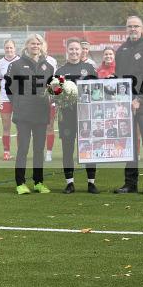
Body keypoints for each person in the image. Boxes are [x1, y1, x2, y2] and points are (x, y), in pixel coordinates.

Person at [114, 15, 143, 194]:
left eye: (136, 26)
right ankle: (130, 183)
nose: (133, 29)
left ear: (142, 28)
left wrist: (138, 99)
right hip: (125, 106)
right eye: (129, 26)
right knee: (129, 145)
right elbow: (119, 78)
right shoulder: (121, 50)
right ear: (126, 29)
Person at [5, 33, 54, 194]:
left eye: (38, 44)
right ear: (27, 46)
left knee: (39, 149)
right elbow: (10, 89)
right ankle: (20, 183)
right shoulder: (17, 65)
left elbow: (51, 89)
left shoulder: (49, 66)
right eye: (32, 43)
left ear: (42, 46)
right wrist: (18, 104)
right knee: (23, 148)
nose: (35, 46)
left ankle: (38, 182)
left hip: (41, 113)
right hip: (24, 114)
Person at [56, 38, 99, 193]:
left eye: (77, 49)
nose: (74, 52)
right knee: (67, 148)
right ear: (67, 51)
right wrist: (60, 94)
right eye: (71, 49)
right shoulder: (60, 71)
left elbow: (97, 91)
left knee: (89, 147)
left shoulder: (89, 69)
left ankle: (91, 182)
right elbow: (55, 93)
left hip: (86, 115)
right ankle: (69, 183)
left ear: (82, 51)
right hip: (67, 115)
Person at [0, 39, 20, 161]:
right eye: (7, 48)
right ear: (4, 49)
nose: (9, 50)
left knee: (20, 126)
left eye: (11, 48)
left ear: (15, 48)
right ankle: (6, 152)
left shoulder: (20, 61)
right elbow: (0, 79)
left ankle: (21, 151)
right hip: (5, 98)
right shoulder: (0, 63)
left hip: (19, 99)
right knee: (6, 126)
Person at [43, 41, 59, 162]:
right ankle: (38, 151)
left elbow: (56, 82)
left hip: (49, 99)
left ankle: (48, 153)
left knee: (50, 126)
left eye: (42, 46)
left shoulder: (52, 61)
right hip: (35, 100)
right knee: (37, 127)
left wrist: (55, 98)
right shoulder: (31, 61)